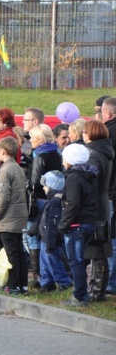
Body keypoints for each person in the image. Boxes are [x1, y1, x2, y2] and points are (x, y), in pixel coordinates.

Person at [59, 143, 99, 307]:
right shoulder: (90, 175)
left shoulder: (73, 177)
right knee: (81, 261)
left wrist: (63, 225)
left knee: (76, 261)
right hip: (89, 222)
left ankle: (79, 296)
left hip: (76, 224)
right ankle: (81, 293)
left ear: (69, 160)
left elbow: (72, 204)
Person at [0, 137, 29, 295]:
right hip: (18, 218)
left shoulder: (4, 171)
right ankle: (23, 284)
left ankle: (13, 285)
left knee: (10, 254)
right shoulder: (18, 168)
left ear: (2, 151)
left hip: (7, 219)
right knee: (19, 253)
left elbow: (2, 198)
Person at [82, 119, 114, 302]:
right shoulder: (103, 151)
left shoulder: (94, 155)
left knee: (97, 248)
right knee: (99, 246)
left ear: (90, 134)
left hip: (94, 205)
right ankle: (97, 289)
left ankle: (96, 290)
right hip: (100, 203)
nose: (83, 135)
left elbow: (89, 181)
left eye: (84, 132)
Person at [27, 124, 62, 286]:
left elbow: (35, 183)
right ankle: (49, 276)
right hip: (54, 200)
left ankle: (39, 276)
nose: (30, 141)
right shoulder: (57, 154)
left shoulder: (39, 157)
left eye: (32, 138)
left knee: (33, 237)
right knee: (49, 238)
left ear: (39, 140)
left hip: (39, 201)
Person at [35, 170, 72, 292]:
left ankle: (64, 282)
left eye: (45, 185)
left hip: (50, 238)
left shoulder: (55, 203)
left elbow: (53, 224)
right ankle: (47, 283)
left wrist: (51, 242)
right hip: (45, 236)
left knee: (53, 261)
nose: (43, 188)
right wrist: (35, 228)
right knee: (44, 262)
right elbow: (44, 219)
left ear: (52, 186)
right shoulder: (51, 201)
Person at [99, 97, 116, 296]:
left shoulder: (107, 134)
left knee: (111, 238)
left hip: (110, 192)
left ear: (108, 113)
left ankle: (112, 283)